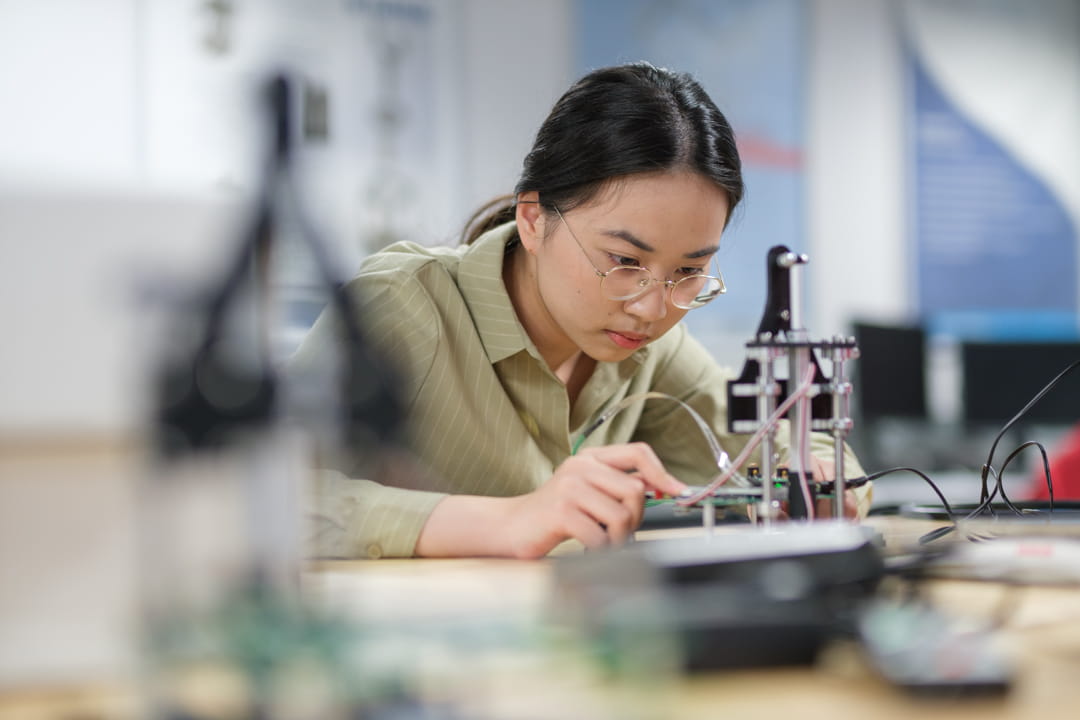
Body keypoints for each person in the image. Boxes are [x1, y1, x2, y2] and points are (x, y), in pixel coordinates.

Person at [295, 62, 871, 560]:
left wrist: (821, 486)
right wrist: (508, 521)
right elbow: (258, 496)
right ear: (533, 219)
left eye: (689, 272)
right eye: (624, 259)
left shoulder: (650, 351)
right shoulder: (403, 306)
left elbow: (794, 443)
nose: (651, 307)